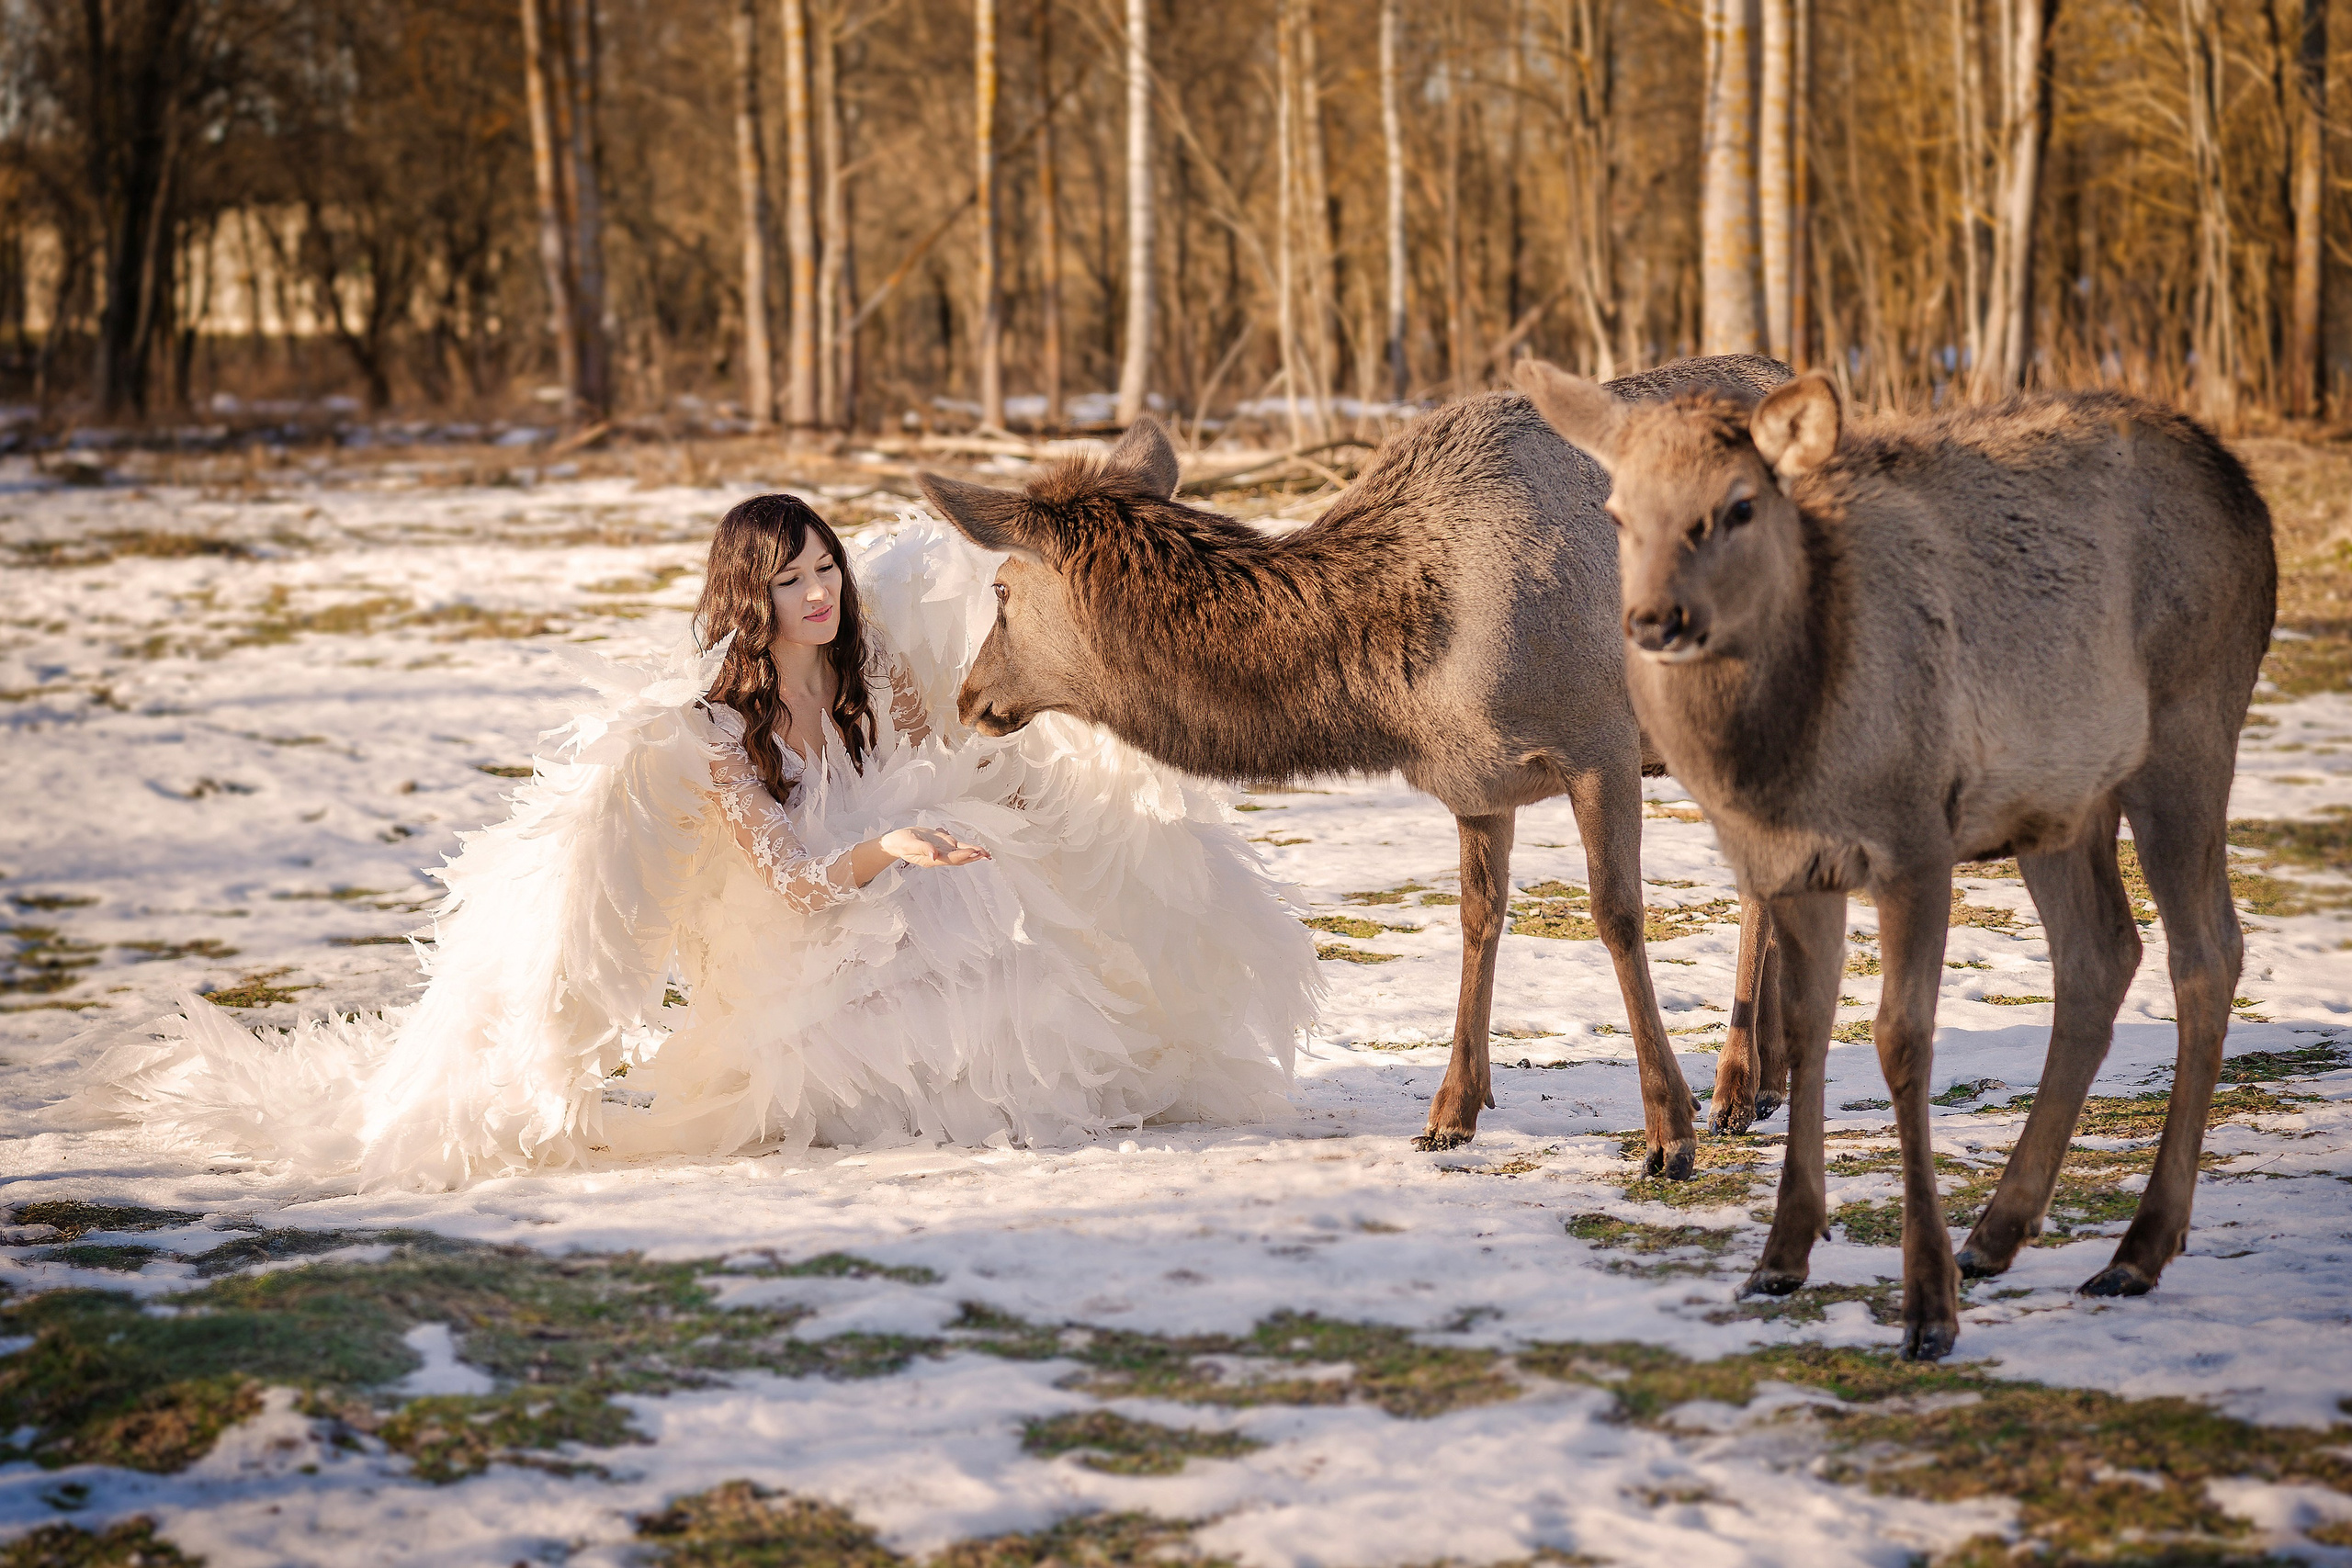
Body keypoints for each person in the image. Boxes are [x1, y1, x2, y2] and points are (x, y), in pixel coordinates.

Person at [82, 495, 1319, 1190]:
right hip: (812, 944)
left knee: (994, 904)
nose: (819, 593)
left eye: (826, 568)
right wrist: (894, 852)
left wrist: (990, 802)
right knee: (911, 940)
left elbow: (935, 760)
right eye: (790, 581)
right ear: (749, 597)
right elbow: (796, 884)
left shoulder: (872, 666)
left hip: (919, 878)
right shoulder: (715, 732)